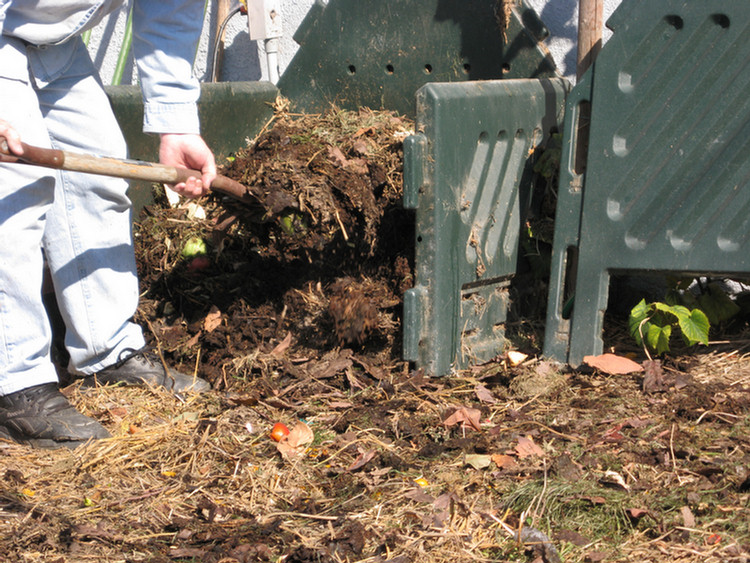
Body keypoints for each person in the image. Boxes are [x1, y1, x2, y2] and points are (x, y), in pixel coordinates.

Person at [0, 1, 216, 449]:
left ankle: (107, 352)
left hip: (50, 39)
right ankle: (14, 382)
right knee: (14, 190)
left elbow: (171, 6)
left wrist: (174, 122)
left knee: (98, 175)